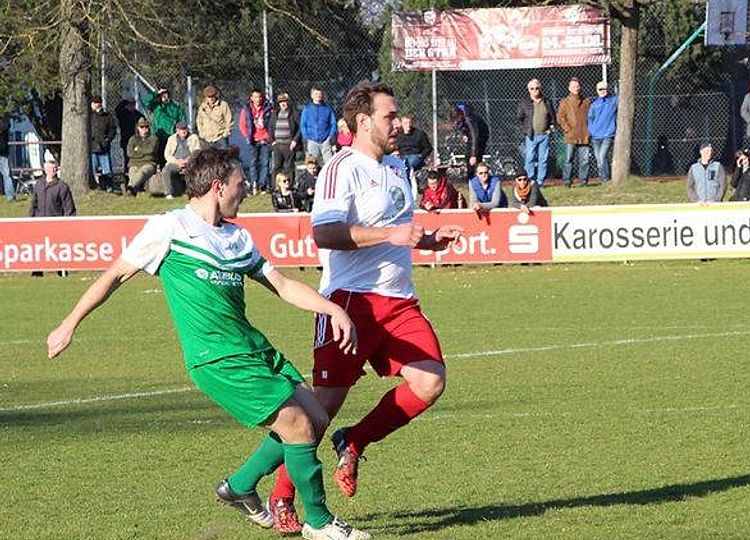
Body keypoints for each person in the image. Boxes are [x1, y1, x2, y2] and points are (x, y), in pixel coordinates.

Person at [46, 146, 370, 540]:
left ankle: (240, 486)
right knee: (298, 426)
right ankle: (319, 524)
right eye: (240, 183)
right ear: (218, 187)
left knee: (317, 419)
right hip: (215, 357)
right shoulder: (170, 228)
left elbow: (282, 285)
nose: (246, 190)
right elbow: (114, 275)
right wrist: (69, 324)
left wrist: (333, 311)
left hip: (253, 348)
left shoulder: (237, 236)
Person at [267, 82, 463, 529]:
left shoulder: (398, 168)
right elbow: (325, 234)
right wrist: (390, 235)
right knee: (317, 412)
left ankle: (353, 442)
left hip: (399, 301)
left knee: (430, 382)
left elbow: (400, 232)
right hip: (350, 305)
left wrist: (429, 240)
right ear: (363, 121)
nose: (400, 123)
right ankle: (281, 495)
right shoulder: (342, 167)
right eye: (390, 116)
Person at [517, 78, 554, 186]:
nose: (535, 90)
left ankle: (540, 181)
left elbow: (552, 117)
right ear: (529, 90)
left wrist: (550, 129)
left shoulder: (547, 101)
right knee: (530, 158)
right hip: (531, 136)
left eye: (537, 88)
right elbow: (519, 119)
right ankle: (530, 179)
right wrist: (525, 131)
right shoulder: (524, 103)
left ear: (540, 88)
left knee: (543, 159)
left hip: (544, 135)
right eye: (532, 88)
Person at [557, 77, 591, 187]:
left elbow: (591, 117)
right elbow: (560, 117)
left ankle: (584, 181)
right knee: (568, 160)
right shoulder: (565, 102)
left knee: (584, 160)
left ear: (580, 87)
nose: (576, 88)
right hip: (571, 136)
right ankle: (567, 181)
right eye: (573, 86)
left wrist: (589, 130)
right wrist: (568, 129)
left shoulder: (586, 102)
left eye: (577, 86)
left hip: (584, 135)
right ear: (569, 88)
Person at [239, 88, 274, 195]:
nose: (258, 99)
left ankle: (262, 185)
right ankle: (254, 184)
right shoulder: (247, 109)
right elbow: (242, 124)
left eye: (259, 97)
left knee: (265, 163)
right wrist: (247, 136)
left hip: (265, 139)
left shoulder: (268, 108)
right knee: (253, 163)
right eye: (255, 97)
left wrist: (269, 136)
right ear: (251, 98)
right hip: (253, 140)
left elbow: (272, 122)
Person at [144, 87, 185, 165]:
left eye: (166, 94)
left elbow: (181, 118)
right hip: (158, 134)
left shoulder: (175, 106)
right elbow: (146, 101)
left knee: (170, 156)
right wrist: (155, 94)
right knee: (159, 156)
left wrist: (177, 130)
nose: (164, 96)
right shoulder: (156, 106)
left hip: (170, 135)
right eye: (162, 94)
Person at [161, 121, 202, 198]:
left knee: (197, 170)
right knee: (165, 170)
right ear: (177, 130)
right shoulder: (171, 139)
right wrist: (177, 161)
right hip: (176, 162)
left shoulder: (194, 137)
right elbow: (167, 154)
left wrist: (188, 160)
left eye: (184, 129)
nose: (183, 131)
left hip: (190, 162)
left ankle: (195, 192)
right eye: (180, 129)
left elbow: (197, 152)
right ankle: (168, 193)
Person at [587, 80, 617, 184]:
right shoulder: (594, 104)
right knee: (599, 159)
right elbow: (590, 119)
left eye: (604, 89)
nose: (603, 91)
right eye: (600, 89)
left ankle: (605, 180)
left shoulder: (613, 101)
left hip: (607, 135)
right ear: (597, 91)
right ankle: (603, 178)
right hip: (596, 136)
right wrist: (591, 131)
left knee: (602, 156)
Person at [300, 87, 338, 166]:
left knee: (329, 164)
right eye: (316, 94)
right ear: (312, 96)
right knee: (312, 164)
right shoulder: (307, 109)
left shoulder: (327, 109)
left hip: (325, 141)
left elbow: (333, 124)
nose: (318, 96)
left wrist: (330, 136)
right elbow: (303, 125)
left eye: (320, 94)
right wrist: (307, 137)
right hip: (312, 141)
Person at [89, 96, 117, 190]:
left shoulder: (107, 116)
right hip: (92, 148)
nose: (97, 104)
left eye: (98, 102)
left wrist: (107, 140)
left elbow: (112, 129)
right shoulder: (88, 116)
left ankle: (109, 188)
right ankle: (95, 187)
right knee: (93, 169)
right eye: (95, 102)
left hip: (104, 148)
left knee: (107, 170)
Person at [452, 103, 488, 178]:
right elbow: (460, 127)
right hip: (471, 136)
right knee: (468, 158)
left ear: (461, 115)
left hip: (480, 136)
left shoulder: (469, 119)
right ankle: (471, 180)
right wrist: (464, 134)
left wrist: (473, 155)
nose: (455, 122)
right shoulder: (458, 119)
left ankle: (479, 178)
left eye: (457, 119)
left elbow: (475, 136)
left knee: (474, 159)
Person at [125, 118, 159, 196]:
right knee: (132, 172)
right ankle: (133, 190)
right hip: (134, 163)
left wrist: (137, 150)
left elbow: (150, 150)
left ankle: (130, 188)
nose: (144, 129)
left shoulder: (153, 138)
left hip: (149, 163)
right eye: (142, 127)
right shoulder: (133, 139)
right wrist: (143, 153)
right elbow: (130, 153)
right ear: (138, 128)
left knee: (142, 172)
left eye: (146, 127)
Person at [270, 92, 300, 178]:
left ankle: (289, 186)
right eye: (281, 102)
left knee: (289, 167)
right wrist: (272, 142)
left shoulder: (293, 113)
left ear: (288, 102)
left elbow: (300, 128)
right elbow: (270, 128)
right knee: (277, 167)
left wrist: (295, 140)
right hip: (277, 145)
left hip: (289, 145)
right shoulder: (275, 113)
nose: (283, 103)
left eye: (285, 101)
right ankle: (276, 187)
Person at [196, 85, 233, 149]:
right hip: (207, 139)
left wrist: (226, 133)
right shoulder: (202, 107)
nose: (211, 98)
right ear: (205, 97)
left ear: (216, 95)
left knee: (223, 158)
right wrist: (201, 133)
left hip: (220, 138)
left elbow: (229, 120)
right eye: (209, 97)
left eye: (213, 96)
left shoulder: (223, 105)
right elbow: (199, 121)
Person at [114, 99, 144, 170]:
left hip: (137, 140)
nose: (132, 106)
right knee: (127, 157)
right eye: (129, 104)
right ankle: (127, 173)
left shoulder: (137, 114)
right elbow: (117, 109)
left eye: (133, 104)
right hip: (126, 139)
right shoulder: (123, 114)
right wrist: (125, 101)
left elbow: (143, 120)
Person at [0, 114, 11, 201]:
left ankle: (10, 195)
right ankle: (10, 196)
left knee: (6, 175)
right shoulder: (5, 121)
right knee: (7, 175)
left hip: (3, 152)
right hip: (3, 151)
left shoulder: (4, 121)